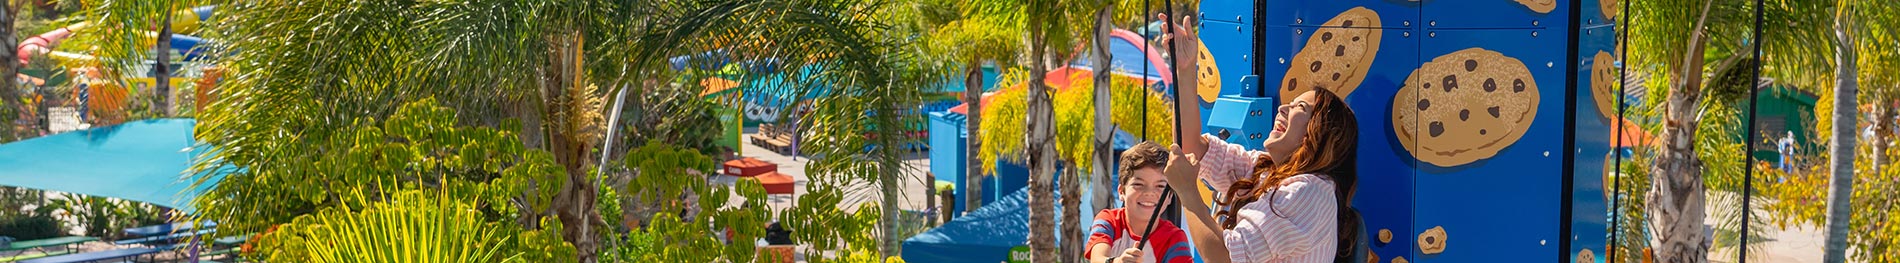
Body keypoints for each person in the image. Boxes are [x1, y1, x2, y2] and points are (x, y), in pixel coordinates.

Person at [1155, 13, 1364, 263]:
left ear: (1320, 134)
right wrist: (1186, 69)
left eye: (1299, 108)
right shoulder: (1264, 170)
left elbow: (1224, 258)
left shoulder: (1310, 192)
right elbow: (1191, 148)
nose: (1282, 108)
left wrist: (1188, 192)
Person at [1086, 142, 1193, 263]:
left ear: (1169, 197)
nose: (1149, 192)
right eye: (1138, 184)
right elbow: (1097, 258)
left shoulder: (1175, 237)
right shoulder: (1108, 220)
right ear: (1122, 192)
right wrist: (1117, 261)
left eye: (1160, 186)